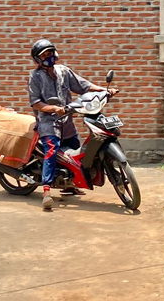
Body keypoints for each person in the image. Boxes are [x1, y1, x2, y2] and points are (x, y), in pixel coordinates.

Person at [28, 39, 118, 210]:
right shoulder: (35, 77)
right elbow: (36, 103)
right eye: (44, 55)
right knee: (52, 150)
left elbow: (83, 85)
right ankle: (46, 190)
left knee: (76, 151)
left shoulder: (63, 71)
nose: (49, 57)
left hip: (66, 122)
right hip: (48, 123)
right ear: (37, 59)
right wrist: (53, 108)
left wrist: (104, 90)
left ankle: (69, 185)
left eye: (50, 52)